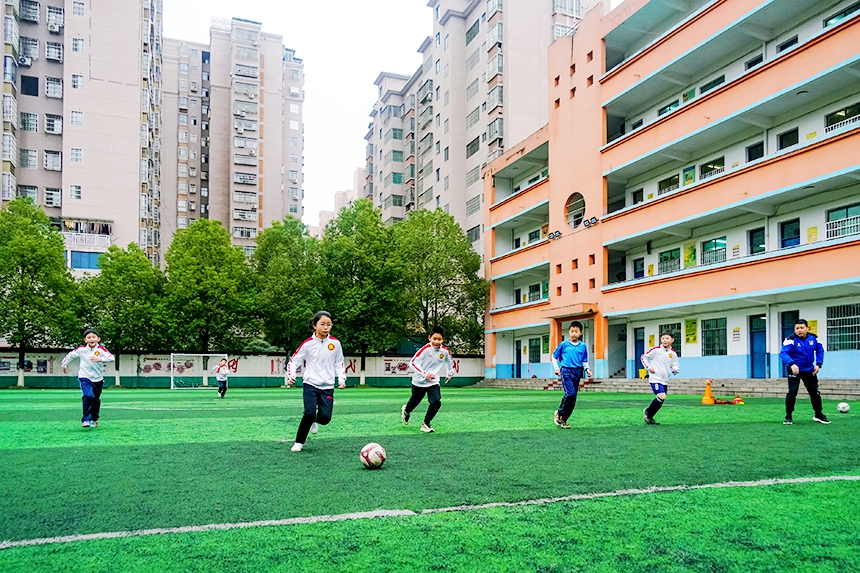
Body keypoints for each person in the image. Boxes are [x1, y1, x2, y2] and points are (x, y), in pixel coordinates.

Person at [286, 311, 346, 452]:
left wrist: (342, 378)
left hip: (328, 386)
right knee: (309, 412)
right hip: (310, 384)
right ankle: (299, 442)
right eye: (322, 324)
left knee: (325, 418)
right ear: (314, 325)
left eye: (329, 324)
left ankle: (314, 420)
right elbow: (294, 361)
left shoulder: (335, 344)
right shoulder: (307, 344)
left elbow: (340, 363)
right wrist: (292, 375)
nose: (326, 327)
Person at [401, 326, 455, 433]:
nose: (436, 341)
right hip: (419, 381)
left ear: (443, 340)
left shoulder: (445, 352)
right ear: (429, 338)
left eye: (439, 339)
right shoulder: (425, 350)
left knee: (436, 402)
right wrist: (425, 374)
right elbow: (413, 362)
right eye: (434, 339)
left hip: (433, 381)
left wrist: (449, 373)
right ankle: (406, 411)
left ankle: (426, 424)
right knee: (415, 402)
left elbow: (449, 362)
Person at [61, 328, 115, 428]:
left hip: (98, 378)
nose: (91, 339)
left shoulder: (101, 350)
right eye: (89, 337)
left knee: (96, 399)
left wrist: (100, 359)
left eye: (93, 337)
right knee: (88, 395)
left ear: (98, 339)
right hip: (84, 376)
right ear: (85, 340)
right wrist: (64, 365)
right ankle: (86, 419)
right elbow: (70, 355)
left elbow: (111, 358)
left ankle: (94, 419)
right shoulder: (81, 350)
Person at [779, 319, 828, 425]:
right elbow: (783, 353)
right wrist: (792, 364)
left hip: (809, 369)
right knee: (792, 392)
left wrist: (819, 364)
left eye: (802, 328)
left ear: (807, 328)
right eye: (797, 328)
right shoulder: (790, 339)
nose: (799, 330)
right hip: (795, 369)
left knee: (814, 392)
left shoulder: (814, 338)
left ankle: (818, 415)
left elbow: (820, 350)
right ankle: (788, 416)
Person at [551, 321, 592, 429]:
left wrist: (587, 369)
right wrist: (556, 368)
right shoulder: (564, 345)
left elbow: (584, 360)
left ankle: (564, 419)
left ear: (581, 333)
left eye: (576, 331)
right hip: (566, 371)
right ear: (569, 332)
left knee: (573, 398)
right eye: (572, 331)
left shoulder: (583, 346)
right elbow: (554, 356)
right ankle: (559, 413)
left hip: (577, 372)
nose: (574, 333)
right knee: (570, 394)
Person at [641, 332, 679, 425]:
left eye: (667, 338)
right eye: (663, 338)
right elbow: (644, 357)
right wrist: (649, 367)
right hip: (655, 378)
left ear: (672, 340)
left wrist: (675, 369)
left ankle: (650, 417)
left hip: (665, 379)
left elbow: (675, 364)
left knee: (662, 399)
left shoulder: (673, 353)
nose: (665, 340)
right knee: (662, 396)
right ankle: (648, 411)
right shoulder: (656, 350)